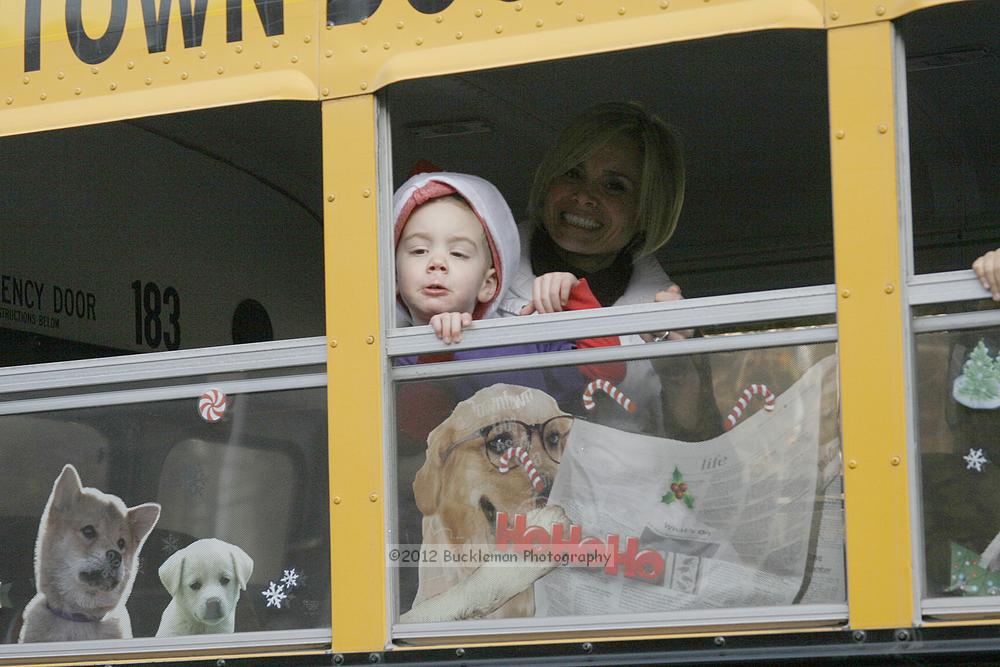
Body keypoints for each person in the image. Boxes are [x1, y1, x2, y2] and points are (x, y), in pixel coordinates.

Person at [496, 102, 721, 440]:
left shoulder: (669, 315)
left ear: (647, 210)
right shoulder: (478, 276)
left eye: (614, 186)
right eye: (573, 173)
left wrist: (677, 370)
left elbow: (706, 460)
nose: (585, 196)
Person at [392, 171, 626, 412]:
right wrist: (437, 353)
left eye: (458, 253)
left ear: (488, 285)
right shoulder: (395, 355)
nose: (437, 262)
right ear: (394, 278)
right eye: (419, 250)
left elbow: (608, 374)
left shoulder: (524, 340)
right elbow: (413, 435)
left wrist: (573, 297)